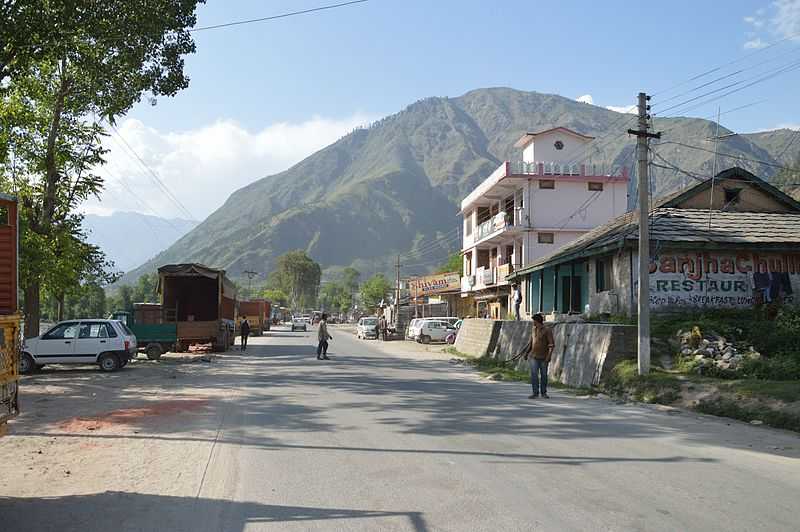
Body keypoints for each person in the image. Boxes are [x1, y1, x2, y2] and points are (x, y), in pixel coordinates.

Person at [527, 313, 554, 399]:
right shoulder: (533, 330)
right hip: (533, 357)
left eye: (534, 321)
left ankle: (543, 392)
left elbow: (551, 345)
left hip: (544, 357)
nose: (533, 323)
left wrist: (549, 356)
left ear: (537, 321)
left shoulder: (547, 330)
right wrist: (526, 353)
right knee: (534, 375)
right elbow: (531, 343)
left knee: (544, 375)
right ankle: (535, 392)